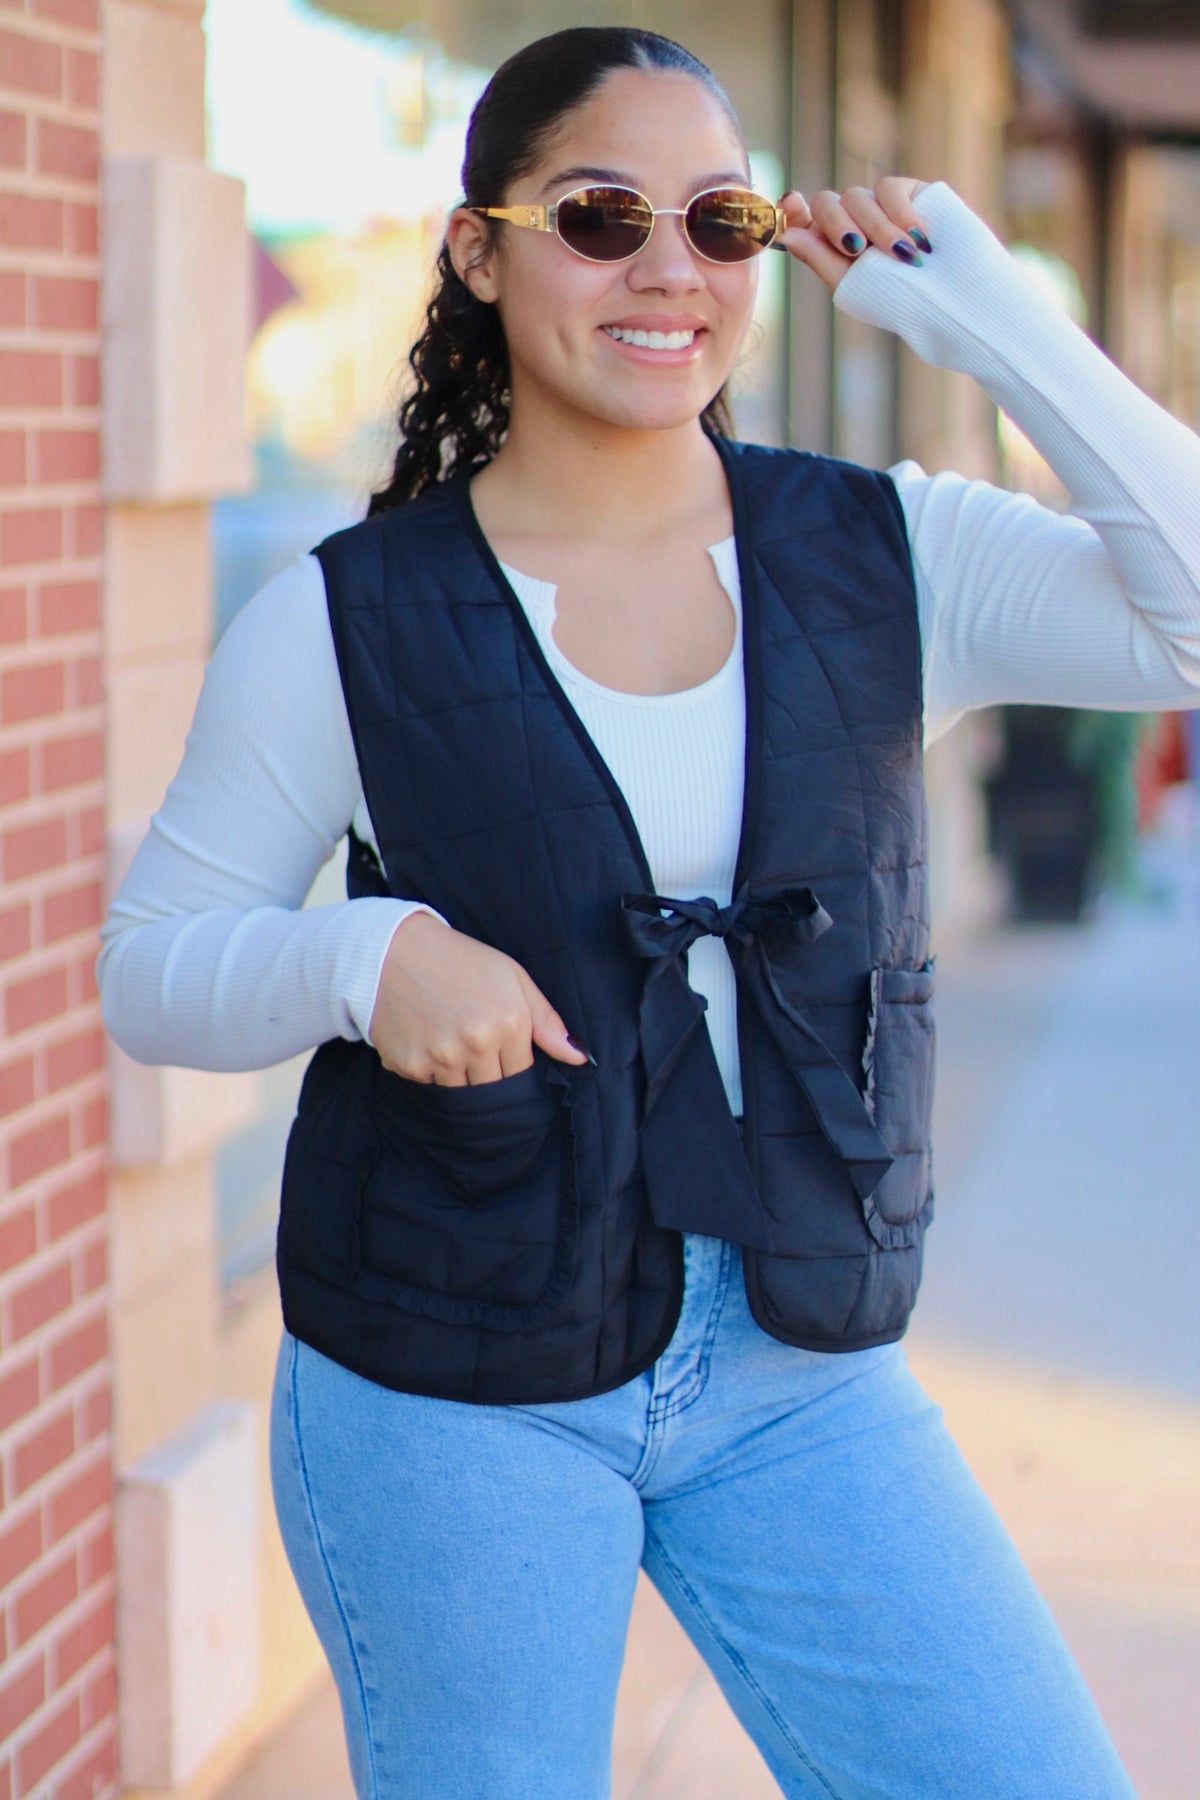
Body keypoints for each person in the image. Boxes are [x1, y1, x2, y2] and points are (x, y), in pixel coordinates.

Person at [97, 25, 1200, 1800]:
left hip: (796, 1360)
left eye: (723, 219)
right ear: (482, 249)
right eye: (601, 215)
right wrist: (364, 956)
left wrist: (985, 315)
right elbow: (147, 974)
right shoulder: (342, 618)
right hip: (453, 1380)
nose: (668, 267)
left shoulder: (886, 554)